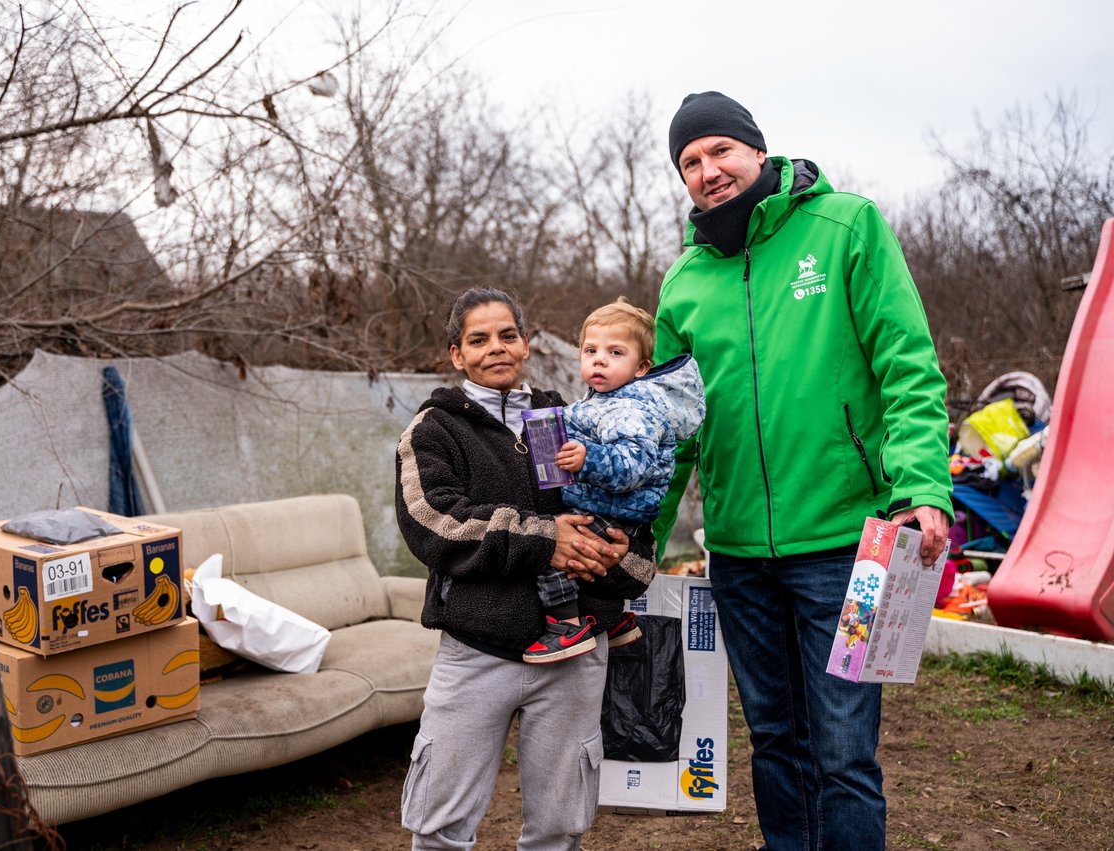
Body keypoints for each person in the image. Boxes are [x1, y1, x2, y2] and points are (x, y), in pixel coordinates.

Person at [652, 91, 953, 851]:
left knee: (844, 750)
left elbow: (907, 365)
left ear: (757, 150)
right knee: (776, 741)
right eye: (690, 161)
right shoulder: (683, 284)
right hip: (741, 559)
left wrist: (921, 486)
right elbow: (665, 431)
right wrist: (637, 544)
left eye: (720, 150)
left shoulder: (847, 225)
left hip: (847, 549)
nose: (708, 170)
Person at [395, 286, 656, 850]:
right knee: (439, 825)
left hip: (575, 654)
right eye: (478, 339)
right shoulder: (435, 431)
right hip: (477, 651)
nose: (496, 348)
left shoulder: (567, 419)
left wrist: (620, 557)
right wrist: (545, 541)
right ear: (456, 355)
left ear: (526, 345)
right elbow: (436, 523)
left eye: (507, 335)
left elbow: (625, 508)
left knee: (560, 829)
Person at [522, 297, 705, 664]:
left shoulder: (633, 408)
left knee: (554, 557)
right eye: (590, 350)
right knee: (586, 563)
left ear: (641, 367)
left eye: (615, 352)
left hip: (616, 511)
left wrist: (587, 459)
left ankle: (567, 627)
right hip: (605, 506)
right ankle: (612, 619)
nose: (599, 359)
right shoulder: (602, 401)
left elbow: (633, 465)